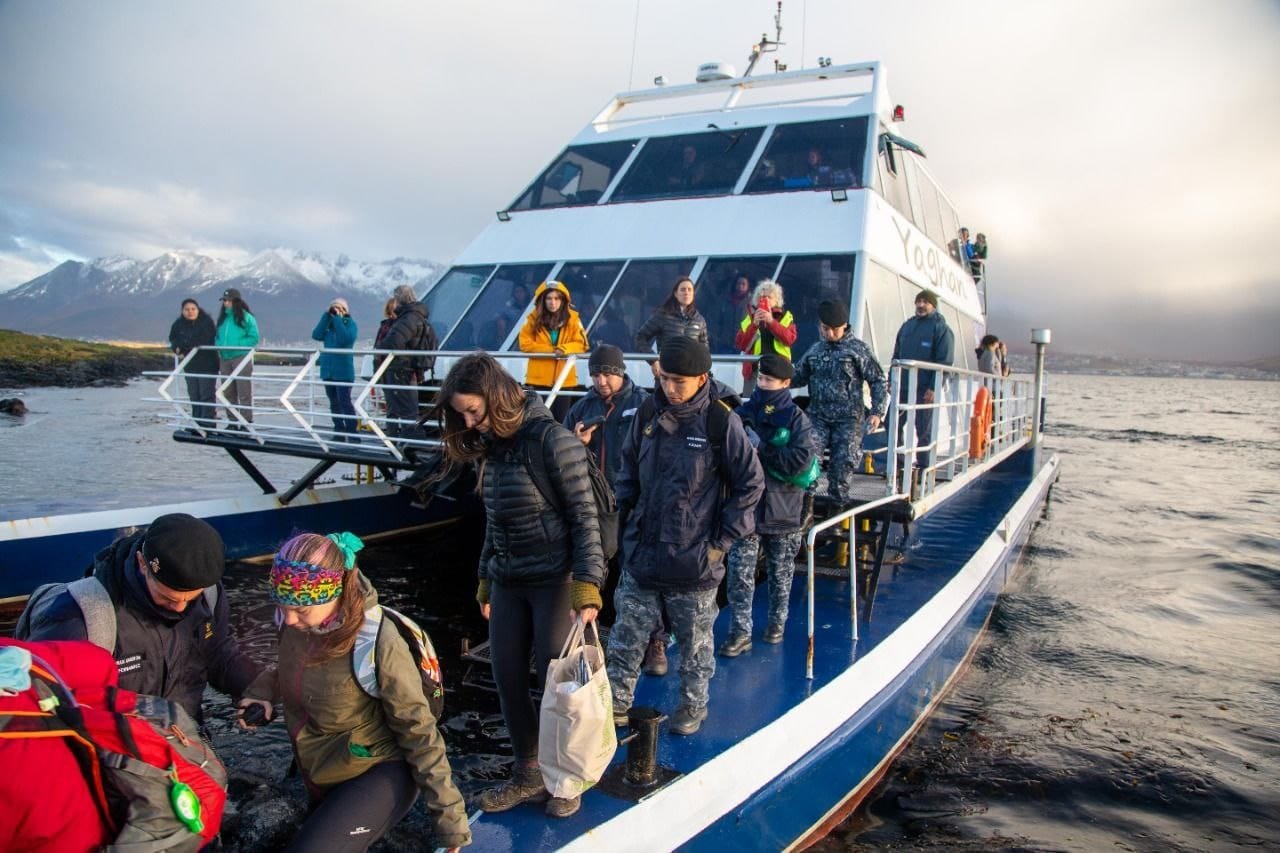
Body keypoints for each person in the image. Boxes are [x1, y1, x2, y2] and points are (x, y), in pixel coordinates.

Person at [434, 352, 605, 818]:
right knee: (507, 676)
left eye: (474, 411)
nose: (469, 423)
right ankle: (528, 773)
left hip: (554, 578)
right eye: (463, 415)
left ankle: (566, 779)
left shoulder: (552, 440)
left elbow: (584, 518)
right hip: (510, 579)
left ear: (497, 397)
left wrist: (587, 586)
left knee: (559, 685)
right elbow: (496, 521)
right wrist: (486, 578)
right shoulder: (491, 448)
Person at [240, 532, 471, 851]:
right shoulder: (294, 623)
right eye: (282, 606)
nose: (290, 620)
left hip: (380, 769)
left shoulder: (379, 642)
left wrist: (450, 820)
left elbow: (420, 732)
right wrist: (263, 692)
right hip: (323, 765)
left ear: (333, 596)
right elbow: (288, 670)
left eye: (301, 611)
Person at [607, 337, 765, 736]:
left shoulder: (719, 422)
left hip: (694, 561)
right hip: (642, 556)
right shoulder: (647, 412)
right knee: (625, 641)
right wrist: (622, 529)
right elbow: (627, 470)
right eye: (664, 379)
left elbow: (751, 484)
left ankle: (693, 706)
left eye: (679, 381)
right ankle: (615, 707)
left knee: (695, 648)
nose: (670, 389)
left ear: (702, 379)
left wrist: (720, 544)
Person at [15, 513, 262, 724]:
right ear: (143, 563)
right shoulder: (79, 618)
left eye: (190, 598)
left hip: (184, 742)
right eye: (167, 598)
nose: (180, 608)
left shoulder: (209, 595)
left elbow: (216, 653)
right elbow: (39, 705)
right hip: (115, 754)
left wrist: (255, 687)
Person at [562, 345, 667, 673]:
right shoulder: (580, 407)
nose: (601, 380)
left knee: (642, 573)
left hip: (633, 502)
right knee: (591, 570)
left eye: (607, 373)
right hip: (593, 503)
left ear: (621, 373)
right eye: (595, 374)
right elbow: (559, 452)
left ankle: (655, 641)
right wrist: (574, 443)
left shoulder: (643, 405)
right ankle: (585, 639)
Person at [720, 354, 816, 656]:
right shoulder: (744, 412)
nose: (763, 384)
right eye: (760, 378)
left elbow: (801, 462)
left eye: (769, 380)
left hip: (783, 509)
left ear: (786, 383)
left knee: (780, 574)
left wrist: (761, 450)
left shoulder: (797, 420)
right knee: (739, 576)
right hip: (748, 510)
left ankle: (777, 624)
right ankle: (740, 632)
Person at [791, 299, 888, 505]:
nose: (830, 334)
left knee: (842, 464)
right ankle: (805, 508)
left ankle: (837, 506)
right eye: (826, 329)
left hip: (848, 418)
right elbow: (797, 377)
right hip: (818, 416)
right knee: (808, 460)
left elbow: (878, 380)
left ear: (845, 326)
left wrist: (877, 412)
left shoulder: (858, 350)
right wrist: (774, 378)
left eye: (835, 329)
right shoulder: (815, 350)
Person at [892, 289, 955, 469]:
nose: (920, 305)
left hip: (924, 388)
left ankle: (923, 467)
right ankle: (899, 464)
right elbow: (896, 354)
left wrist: (934, 387)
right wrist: (892, 379)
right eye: (918, 301)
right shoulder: (907, 326)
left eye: (925, 302)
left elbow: (944, 361)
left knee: (923, 429)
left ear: (933, 305)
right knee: (892, 423)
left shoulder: (941, 329)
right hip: (903, 385)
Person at [518, 279, 588, 421]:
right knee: (539, 420)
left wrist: (564, 349)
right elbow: (525, 344)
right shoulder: (531, 319)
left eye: (557, 298)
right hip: (538, 379)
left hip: (565, 380)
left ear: (563, 300)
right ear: (542, 300)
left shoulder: (573, 319)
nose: (553, 302)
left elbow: (582, 344)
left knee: (562, 420)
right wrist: (552, 350)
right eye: (549, 298)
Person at [376, 284, 434, 442]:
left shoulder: (408, 318)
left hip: (400, 368)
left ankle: (408, 441)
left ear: (399, 299)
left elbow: (393, 342)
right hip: (410, 369)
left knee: (403, 408)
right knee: (405, 407)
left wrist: (381, 347)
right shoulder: (420, 316)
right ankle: (401, 440)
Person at [734, 278, 797, 396]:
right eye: (761, 297)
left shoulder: (785, 317)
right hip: (754, 371)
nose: (765, 300)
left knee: (776, 405)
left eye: (769, 297)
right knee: (751, 405)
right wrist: (754, 325)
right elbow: (741, 344)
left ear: (777, 300)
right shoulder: (750, 318)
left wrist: (771, 322)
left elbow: (789, 339)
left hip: (778, 371)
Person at [312, 296, 360, 441]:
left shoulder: (350, 324)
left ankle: (352, 430)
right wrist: (326, 316)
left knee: (344, 401)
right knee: (333, 401)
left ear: (345, 310)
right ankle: (338, 428)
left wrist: (339, 319)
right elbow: (316, 335)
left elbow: (344, 339)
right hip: (328, 371)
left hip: (343, 372)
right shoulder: (329, 326)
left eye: (339, 308)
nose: (335, 310)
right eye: (334, 307)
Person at [168, 297, 219, 427]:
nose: (190, 312)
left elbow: (204, 340)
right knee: (194, 395)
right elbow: (173, 339)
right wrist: (176, 347)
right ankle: (197, 424)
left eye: (193, 309)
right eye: (187, 309)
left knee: (205, 394)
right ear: (182, 311)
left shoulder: (206, 322)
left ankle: (208, 423)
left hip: (207, 364)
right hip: (190, 365)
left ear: (198, 309)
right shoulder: (178, 324)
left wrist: (184, 346)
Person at [215, 288, 260, 427]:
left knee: (243, 391)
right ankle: (233, 421)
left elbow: (254, 337)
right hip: (224, 357)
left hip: (240, 357)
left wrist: (239, 345)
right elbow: (218, 336)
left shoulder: (246, 317)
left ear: (236, 302)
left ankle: (246, 421)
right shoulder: (223, 319)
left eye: (228, 301)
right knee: (228, 391)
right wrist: (218, 346)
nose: (226, 303)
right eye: (224, 301)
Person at [634, 276, 709, 357]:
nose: (686, 293)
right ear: (676, 294)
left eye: (690, 290)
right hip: (667, 368)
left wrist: (702, 368)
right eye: (683, 289)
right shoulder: (663, 315)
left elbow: (704, 349)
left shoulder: (699, 320)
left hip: (691, 369)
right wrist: (653, 360)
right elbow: (640, 337)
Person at [711, 273, 753, 353]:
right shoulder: (725, 301)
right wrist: (717, 337)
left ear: (748, 286)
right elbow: (717, 321)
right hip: (725, 344)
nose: (740, 286)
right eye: (738, 283)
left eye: (743, 284)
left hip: (743, 345)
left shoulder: (751, 303)